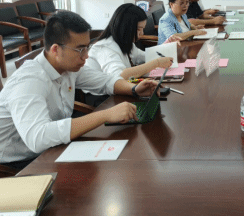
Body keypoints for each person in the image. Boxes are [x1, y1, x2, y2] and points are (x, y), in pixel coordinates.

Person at [0, 11, 159, 168]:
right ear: (55, 50)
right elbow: (38, 138)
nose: (86, 56)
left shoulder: (68, 67)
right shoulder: (29, 81)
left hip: (53, 146)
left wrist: (134, 89)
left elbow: (105, 81)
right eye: (80, 49)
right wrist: (105, 115)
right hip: (19, 161)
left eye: (87, 48)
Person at [87, 3, 173, 80]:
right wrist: (156, 63)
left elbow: (144, 55)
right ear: (125, 27)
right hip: (103, 93)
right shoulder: (105, 47)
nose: (142, 33)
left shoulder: (124, 42)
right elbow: (119, 76)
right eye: (139, 29)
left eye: (143, 29)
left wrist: (166, 47)